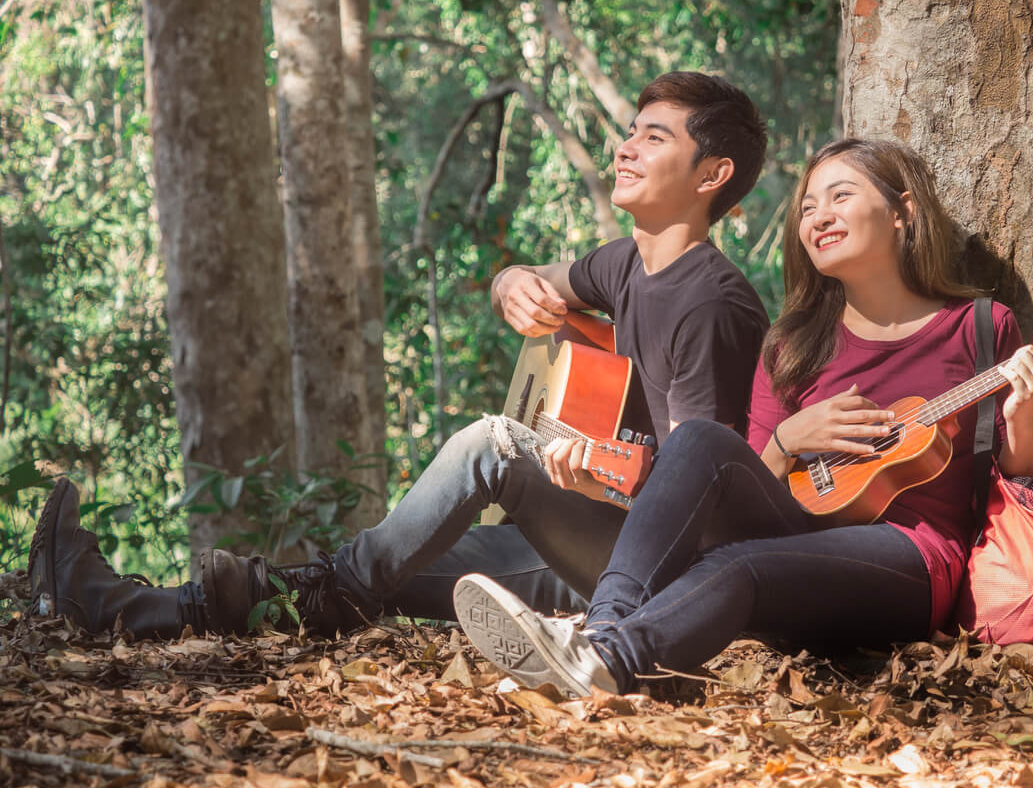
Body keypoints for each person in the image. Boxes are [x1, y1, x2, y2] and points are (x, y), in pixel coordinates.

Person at [28, 71, 771, 641]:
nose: (625, 147)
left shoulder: (711, 303)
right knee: (377, 568)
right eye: (630, 130)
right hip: (570, 552)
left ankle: (340, 586)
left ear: (711, 177)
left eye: (655, 138)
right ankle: (114, 606)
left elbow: (692, 486)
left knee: (494, 446)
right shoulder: (624, 263)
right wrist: (510, 283)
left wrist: (601, 468)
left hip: (647, 578)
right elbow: (537, 279)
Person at [451, 137, 1033, 698]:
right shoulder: (791, 345)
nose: (818, 216)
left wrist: (1022, 413)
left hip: (913, 559)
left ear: (903, 210)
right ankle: (601, 633)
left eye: (841, 196)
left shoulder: (978, 326)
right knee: (701, 441)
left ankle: (606, 661)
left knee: (737, 565)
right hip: (794, 540)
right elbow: (746, 487)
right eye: (808, 206)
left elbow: (1011, 480)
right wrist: (790, 438)